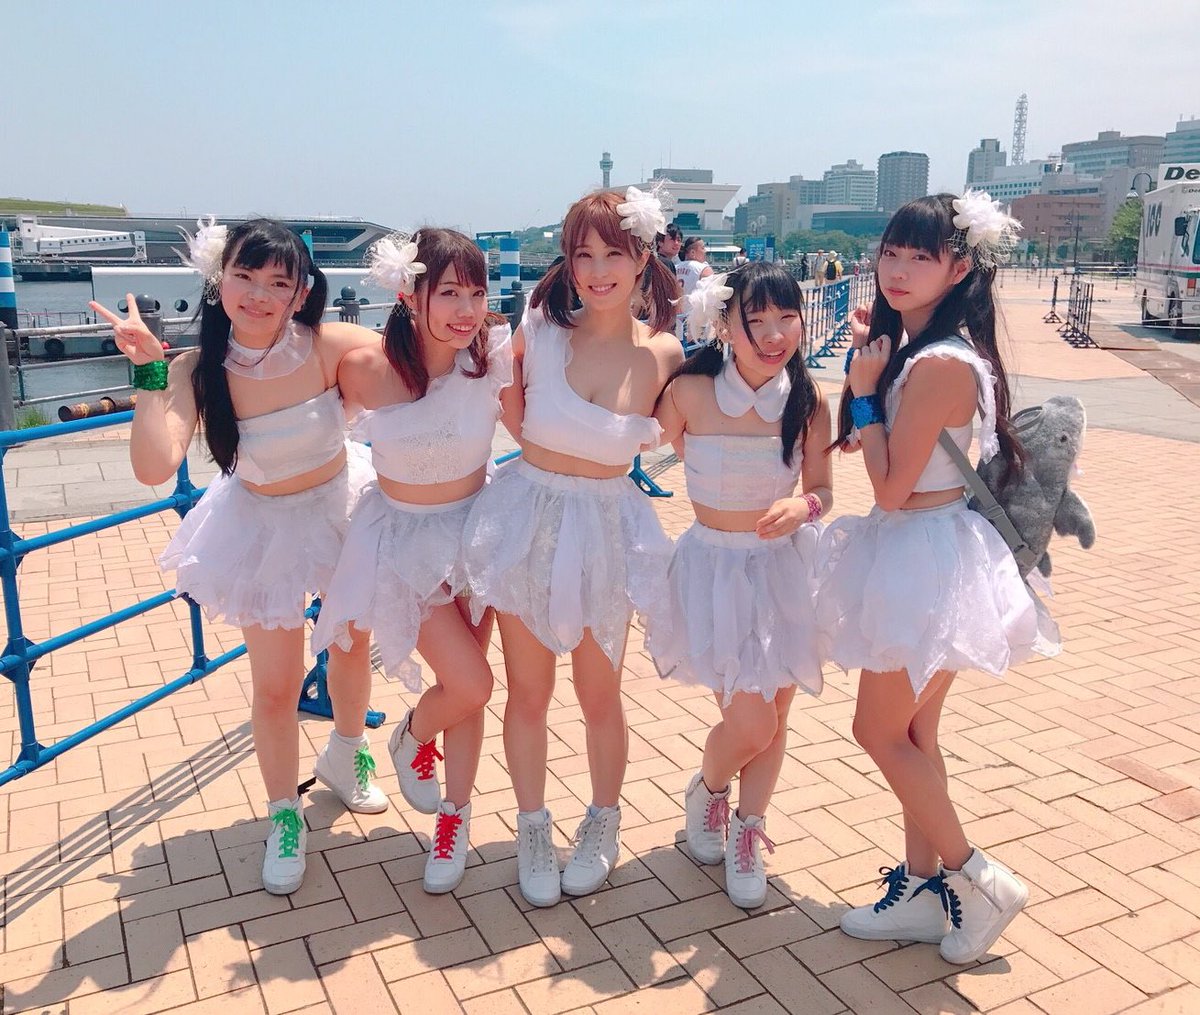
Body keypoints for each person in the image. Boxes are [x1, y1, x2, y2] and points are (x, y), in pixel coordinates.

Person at [90, 218, 383, 896]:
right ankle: (284, 814)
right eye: (244, 276)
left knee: (351, 643)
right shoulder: (196, 370)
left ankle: (347, 754)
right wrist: (147, 372)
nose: (258, 294)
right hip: (259, 524)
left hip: (340, 504)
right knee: (276, 684)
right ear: (217, 280)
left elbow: (414, 369)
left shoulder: (329, 343)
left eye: (278, 282)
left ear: (301, 291)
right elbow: (153, 465)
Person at [819, 193, 1060, 963]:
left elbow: (890, 488)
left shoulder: (942, 364)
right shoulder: (927, 349)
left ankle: (977, 876)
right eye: (891, 251)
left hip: (920, 553)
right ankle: (925, 891)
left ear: (958, 269)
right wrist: (871, 378)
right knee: (916, 733)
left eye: (921, 257)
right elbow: (872, 451)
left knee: (876, 729)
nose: (898, 268)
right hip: (933, 549)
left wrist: (865, 393)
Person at [461, 187, 683, 907]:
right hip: (529, 518)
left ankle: (603, 821)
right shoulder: (540, 330)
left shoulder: (663, 354)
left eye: (613, 253)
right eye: (582, 254)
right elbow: (504, 405)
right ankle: (532, 828)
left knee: (599, 694)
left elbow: (705, 433)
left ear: (642, 257)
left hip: (607, 532)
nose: (596, 270)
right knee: (529, 692)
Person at [310, 229, 523, 893]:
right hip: (404, 542)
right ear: (411, 293)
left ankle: (454, 818)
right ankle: (410, 737)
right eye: (450, 292)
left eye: (477, 293)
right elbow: (279, 367)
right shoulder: (366, 367)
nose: (467, 309)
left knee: (470, 688)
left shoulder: (491, 361)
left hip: (475, 533)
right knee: (471, 683)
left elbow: (542, 422)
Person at [649, 263, 832, 908]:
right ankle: (709, 788)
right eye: (756, 321)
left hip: (782, 571)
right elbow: (640, 446)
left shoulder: (808, 401)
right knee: (750, 721)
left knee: (776, 716)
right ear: (725, 324)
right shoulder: (689, 390)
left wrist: (804, 507)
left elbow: (823, 487)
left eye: (787, 318)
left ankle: (749, 830)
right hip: (713, 569)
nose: (774, 335)